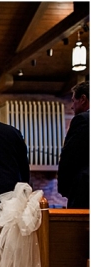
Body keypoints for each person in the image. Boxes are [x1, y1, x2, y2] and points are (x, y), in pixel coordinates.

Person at [57, 81, 89, 209]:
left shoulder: (83, 120)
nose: (72, 106)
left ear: (83, 99)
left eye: (73, 100)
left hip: (85, 189)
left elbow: (70, 157)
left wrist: (64, 189)